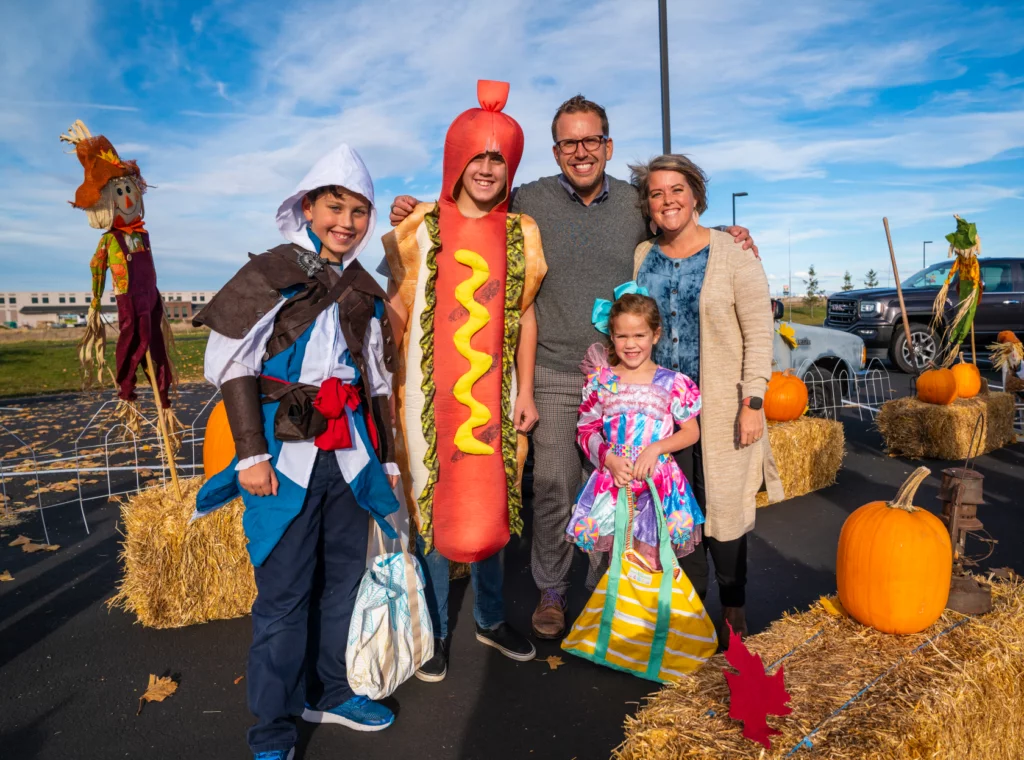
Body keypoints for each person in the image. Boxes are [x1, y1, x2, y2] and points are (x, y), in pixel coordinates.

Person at [389, 94, 758, 640]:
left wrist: (733, 236)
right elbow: (473, 201)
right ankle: (553, 591)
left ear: (608, 146)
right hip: (556, 369)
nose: (580, 152)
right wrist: (416, 208)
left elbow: (679, 231)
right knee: (558, 483)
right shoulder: (529, 198)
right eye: (569, 142)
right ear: (555, 149)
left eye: (591, 141)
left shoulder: (637, 202)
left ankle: (609, 594)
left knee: (620, 483)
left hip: (624, 375)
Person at [193, 144, 401, 760]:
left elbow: (378, 379)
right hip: (283, 453)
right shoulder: (273, 270)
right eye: (335, 207)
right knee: (284, 594)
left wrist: (386, 458)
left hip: (348, 454)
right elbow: (229, 360)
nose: (347, 222)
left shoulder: (365, 287)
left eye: (360, 211)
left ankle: (331, 692)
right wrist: (250, 454)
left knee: (343, 581)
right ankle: (274, 728)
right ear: (308, 208)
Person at [380, 81, 547, 682]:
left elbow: (524, 312)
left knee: (490, 505)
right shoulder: (420, 225)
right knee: (431, 505)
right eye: (476, 156)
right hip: (425, 395)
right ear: (456, 160)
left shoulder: (521, 232)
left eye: (498, 159)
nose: (486, 168)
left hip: (494, 394)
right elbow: (397, 305)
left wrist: (525, 390)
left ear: (511, 169)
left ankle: (491, 618)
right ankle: (437, 629)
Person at [629, 154, 782, 644]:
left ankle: (733, 610)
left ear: (695, 195)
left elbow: (760, 333)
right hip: (661, 412)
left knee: (724, 514)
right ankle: (688, 613)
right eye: (656, 193)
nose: (667, 200)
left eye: (677, 190)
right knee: (675, 511)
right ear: (648, 205)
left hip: (718, 409)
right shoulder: (642, 256)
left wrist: (752, 402)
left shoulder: (734, 255)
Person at [567, 291, 703, 570]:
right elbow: (586, 431)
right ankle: (619, 613)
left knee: (652, 560)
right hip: (615, 481)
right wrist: (609, 459)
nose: (630, 345)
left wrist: (655, 449)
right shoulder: (603, 381)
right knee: (616, 560)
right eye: (622, 337)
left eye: (639, 335)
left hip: (658, 484)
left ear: (655, 335)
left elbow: (691, 432)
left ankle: (652, 612)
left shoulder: (674, 383)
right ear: (612, 337)